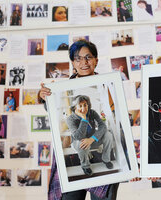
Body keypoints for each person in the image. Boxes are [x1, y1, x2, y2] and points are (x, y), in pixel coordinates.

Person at [38, 40, 119, 200]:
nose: (84, 62)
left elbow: (114, 122)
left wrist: (93, 138)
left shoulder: (108, 86)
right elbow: (57, 117)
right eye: (78, 58)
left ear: (96, 60)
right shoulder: (62, 89)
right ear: (72, 63)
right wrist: (45, 97)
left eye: (88, 57)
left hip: (100, 150)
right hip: (74, 154)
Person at [67, 95, 114, 176]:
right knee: (81, 143)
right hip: (79, 142)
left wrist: (92, 138)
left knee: (108, 135)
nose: (83, 108)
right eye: (80, 106)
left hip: (92, 140)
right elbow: (78, 136)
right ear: (75, 107)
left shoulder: (92, 112)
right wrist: (84, 119)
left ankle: (106, 159)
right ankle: (85, 165)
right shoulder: (70, 119)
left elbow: (103, 126)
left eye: (85, 105)